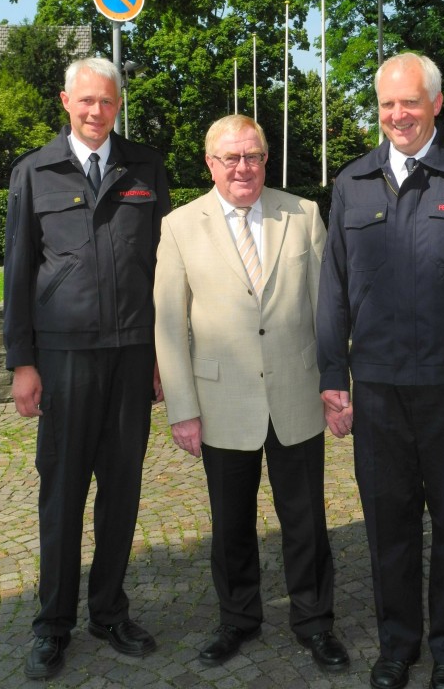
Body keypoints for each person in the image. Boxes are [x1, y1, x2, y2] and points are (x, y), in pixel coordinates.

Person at [316, 53, 444, 689]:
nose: (397, 115)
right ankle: (397, 645)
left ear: (437, 103)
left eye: (409, 102)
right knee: (389, 526)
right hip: (377, 390)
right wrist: (333, 374)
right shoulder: (352, 182)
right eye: (386, 104)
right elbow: (333, 289)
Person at [153, 114, 349, 673]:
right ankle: (237, 620)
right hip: (221, 405)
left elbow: (327, 310)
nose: (245, 168)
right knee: (231, 523)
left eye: (255, 156)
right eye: (232, 158)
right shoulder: (179, 226)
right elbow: (168, 325)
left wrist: (337, 385)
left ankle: (315, 623)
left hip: (298, 393)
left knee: (306, 520)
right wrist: (183, 410)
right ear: (210, 164)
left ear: (267, 158)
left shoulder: (304, 213)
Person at [3, 57, 171, 681]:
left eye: (107, 101)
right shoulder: (34, 172)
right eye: (86, 101)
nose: (97, 111)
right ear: (65, 102)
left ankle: (109, 609)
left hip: (132, 355)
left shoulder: (145, 166)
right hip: (64, 355)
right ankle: (53, 623)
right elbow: (19, 272)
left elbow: (164, 269)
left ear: (119, 102)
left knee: (122, 492)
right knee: (62, 492)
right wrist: (22, 362)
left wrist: (163, 353)